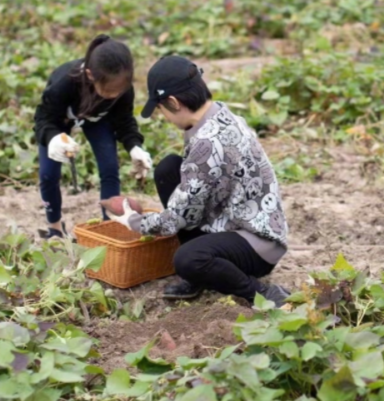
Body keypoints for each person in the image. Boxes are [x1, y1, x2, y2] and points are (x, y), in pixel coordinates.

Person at [108, 55, 290, 307]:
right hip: (238, 218)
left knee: (187, 259)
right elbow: (193, 196)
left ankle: (261, 294)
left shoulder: (207, 141)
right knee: (169, 169)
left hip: (258, 244)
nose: (163, 116)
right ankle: (203, 275)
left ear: (173, 102)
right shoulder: (218, 114)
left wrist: (134, 222)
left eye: (160, 109)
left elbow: (176, 219)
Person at [33, 34, 153, 239]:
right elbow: (43, 118)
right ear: (90, 75)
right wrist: (52, 138)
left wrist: (135, 146)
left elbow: (124, 121)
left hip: (97, 120)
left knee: (109, 168)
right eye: (108, 91)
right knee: (48, 174)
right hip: (58, 121)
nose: (114, 95)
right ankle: (54, 227)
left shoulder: (123, 90)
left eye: (119, 91)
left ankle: (110, 227)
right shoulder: (64, 82)